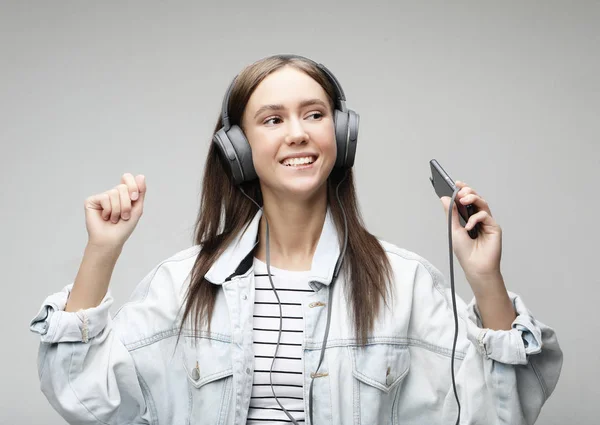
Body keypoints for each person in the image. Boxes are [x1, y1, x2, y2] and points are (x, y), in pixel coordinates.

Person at [30, 54, 562, 425]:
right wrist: (102, 252)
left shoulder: (406, 285)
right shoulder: (182, 285)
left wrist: (485, 279)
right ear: (237, 148)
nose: (298, 133)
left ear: (342, 136)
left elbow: (501, 414)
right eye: (272, 119)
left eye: (315, 114)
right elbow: (88, 401)